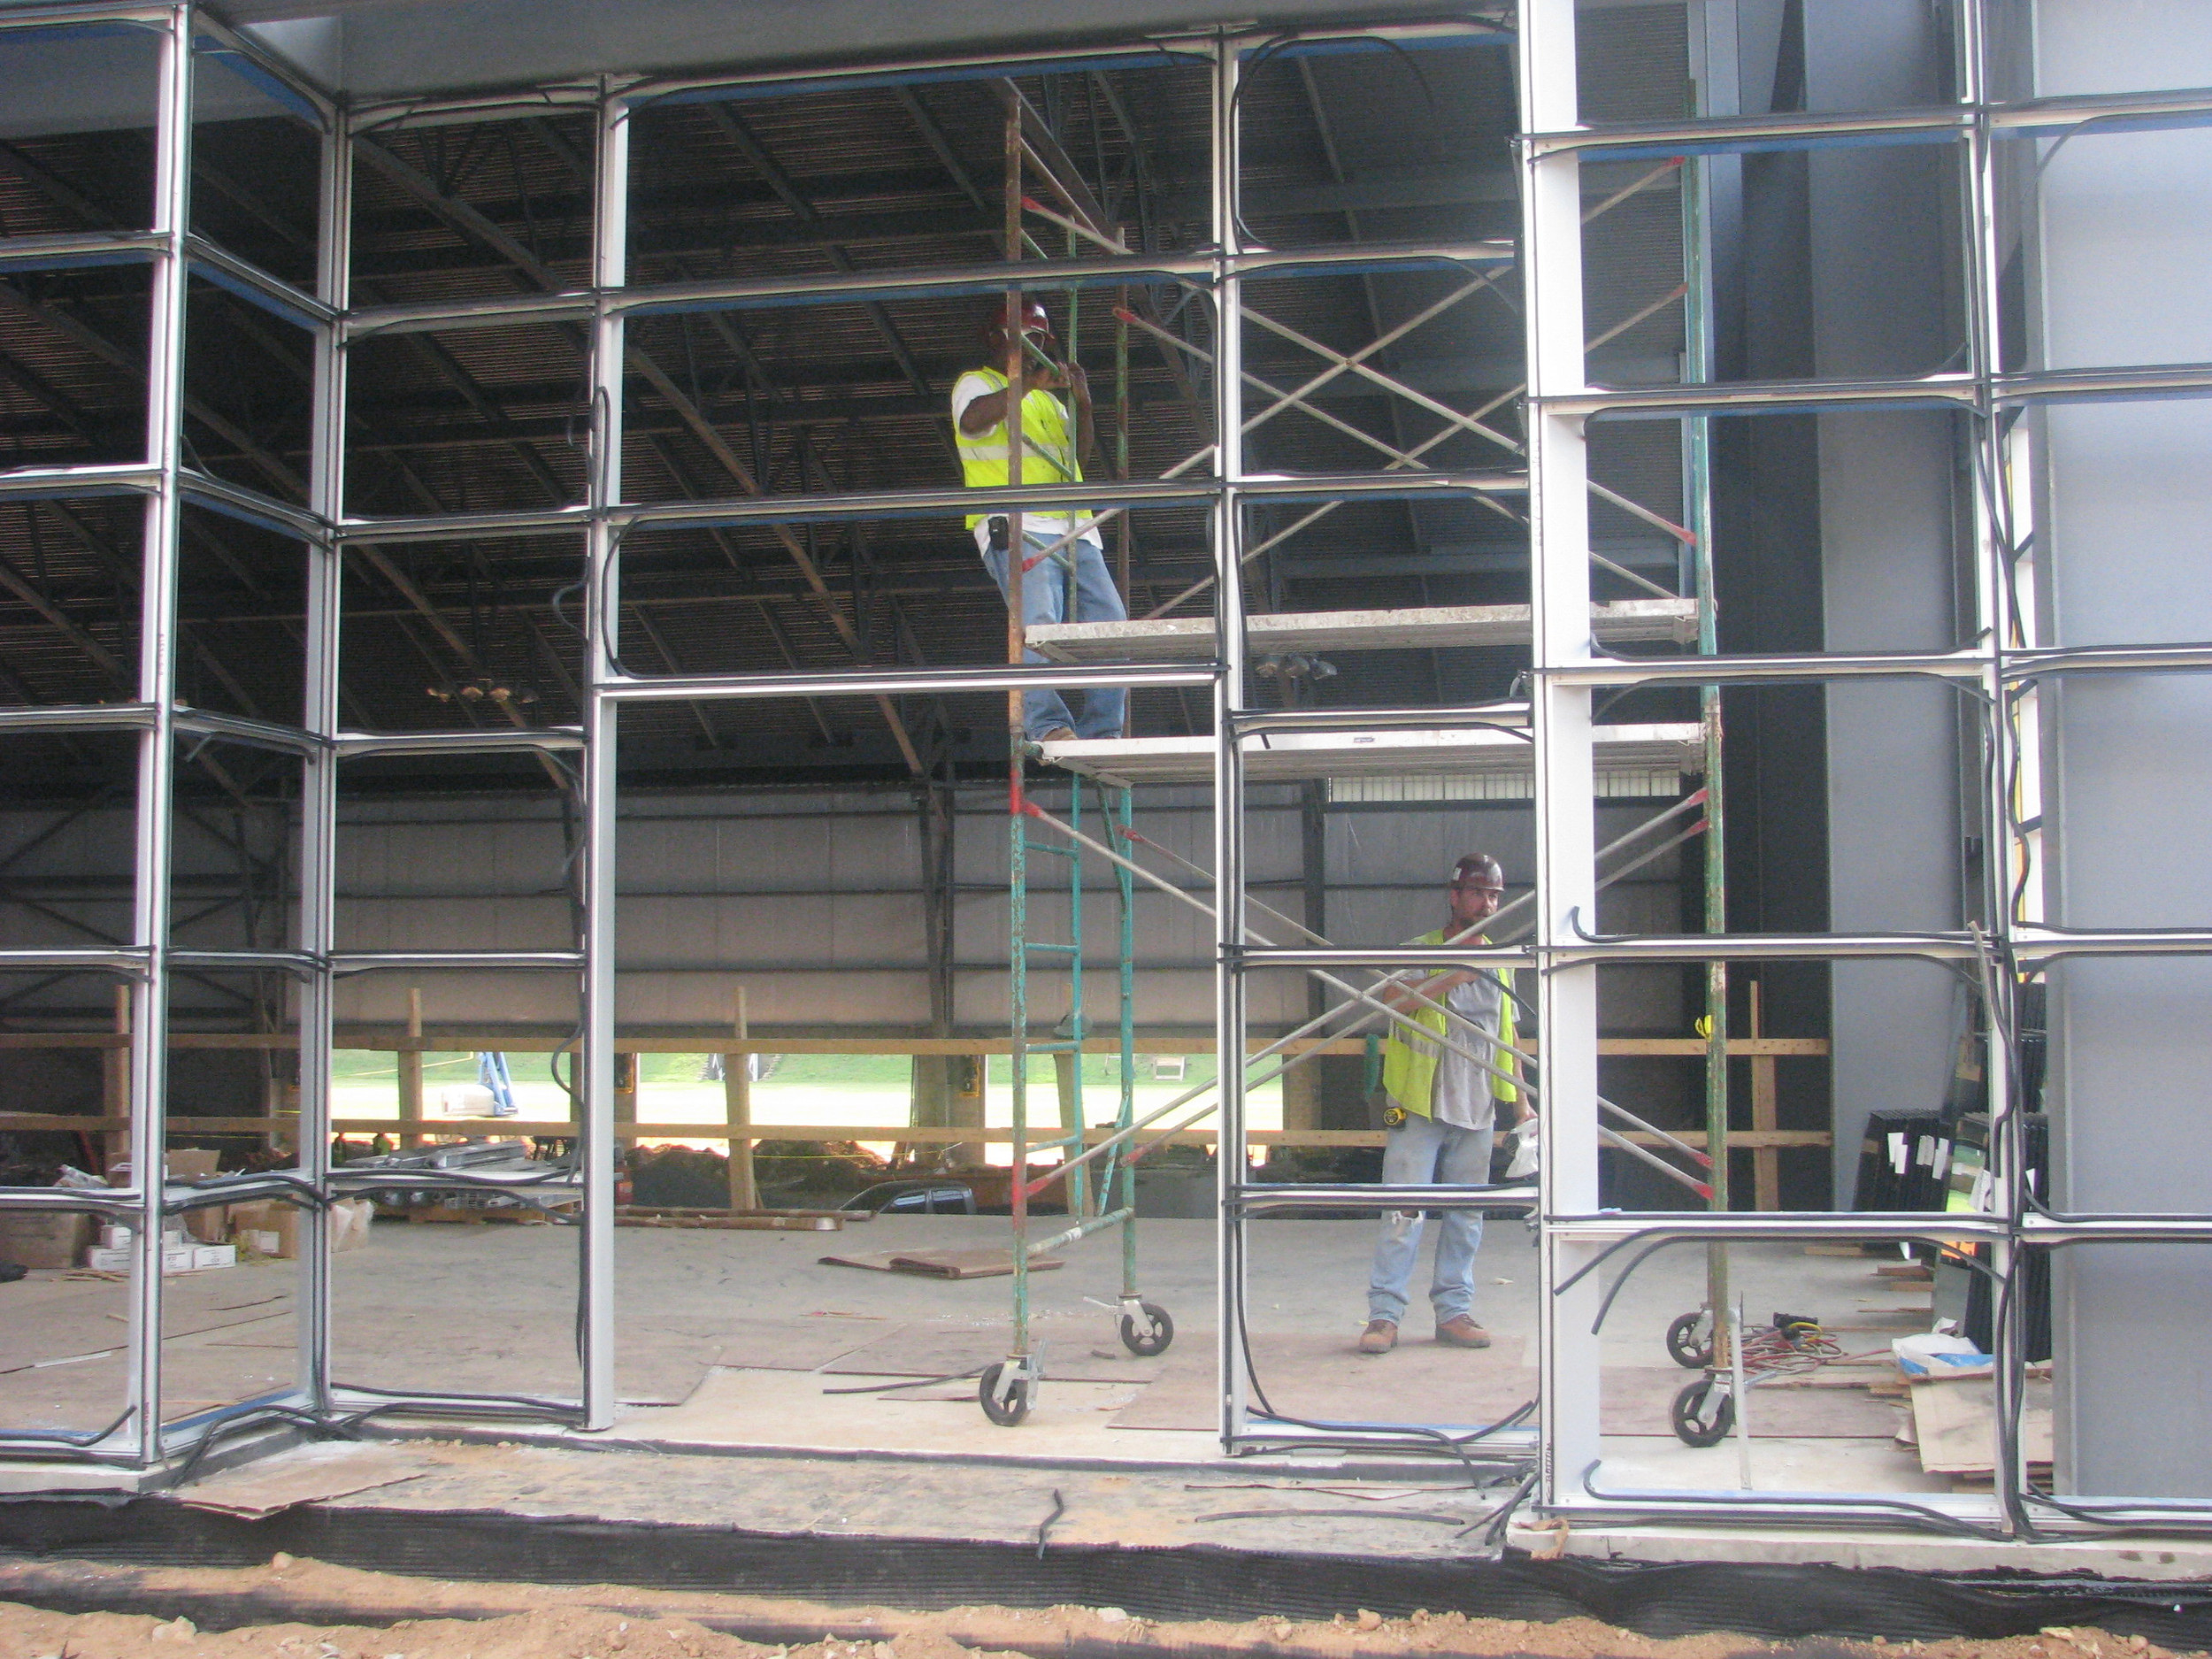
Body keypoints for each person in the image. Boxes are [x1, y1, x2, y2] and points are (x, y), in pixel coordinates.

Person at [1358, 853, 1533, 1356]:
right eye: (1478, 893)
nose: (1487, 903)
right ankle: (1384, 1315)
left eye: (1495, 895)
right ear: (1454, 897)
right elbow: (1392, 1000)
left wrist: (1520, 1105)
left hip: (1477, 1106)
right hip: (1419, 1105)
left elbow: (1508, 1033)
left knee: (1466, 1213)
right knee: (1402, 1212)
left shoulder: (1499, 959)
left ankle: (1453, 1311)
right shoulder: (1420, 951)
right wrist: (1453, 976)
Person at [952, 297, 1126, 743]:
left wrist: (1083, 406)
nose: (1037, 348)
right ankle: (1047, 725)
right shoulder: (976, 384)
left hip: (1073, 529)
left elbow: (1077, 461)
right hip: (1017, 523)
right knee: (1038, 624)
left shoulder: (1049, 402)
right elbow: (973, 421)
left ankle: (1103, 730)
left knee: (1111, 624)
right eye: (1028, 338)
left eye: (1041, 340)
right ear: (998, 340)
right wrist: (1027, 383)